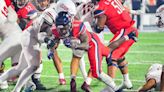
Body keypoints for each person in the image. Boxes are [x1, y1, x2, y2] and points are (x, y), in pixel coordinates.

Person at [55, 11, 137, 92]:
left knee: (97, 73)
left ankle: (115, 88)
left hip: (92, 44)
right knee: (108, 50)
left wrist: (76, 45)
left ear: (70, 24)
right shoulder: (56, 31)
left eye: (64, 28)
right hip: (90, 41)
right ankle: (128, 36)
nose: (62, 31)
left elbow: (86, 45)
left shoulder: (78, 27)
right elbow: (52, 40)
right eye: (60, 28)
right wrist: (50, 46)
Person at [0, 3, 57, 91]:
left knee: (24, 66)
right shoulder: (48, 18)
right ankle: (27, 84)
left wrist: (50, 46)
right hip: (25, 37)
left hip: (19, 37)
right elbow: (40, 33)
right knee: (25, 66)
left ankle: (15, 84)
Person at [93, 0, 139, 90]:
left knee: (110, 54)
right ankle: (127, 81)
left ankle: (110, 87)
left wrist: (94, 23)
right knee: (118, 55)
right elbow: (121, 6)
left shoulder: (102, 5)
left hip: (126, 30)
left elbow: (99, 27)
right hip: (129, 29)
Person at [0, 0, 22, 89]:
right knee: (17, 68)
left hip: (11, 39)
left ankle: (2, 81)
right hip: (20, 36)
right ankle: (27, 83)